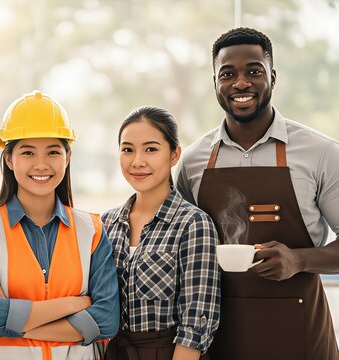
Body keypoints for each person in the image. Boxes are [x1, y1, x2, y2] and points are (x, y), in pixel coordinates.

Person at [176, 27, 339, 360]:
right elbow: (178, 246)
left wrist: (299, 259)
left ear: (273, 78)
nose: (241, 83)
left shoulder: (321, 153)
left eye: (254, 71)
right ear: (215, 83)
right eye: (228, 74)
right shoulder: (192, 161)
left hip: (301, 336)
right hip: (216, 337)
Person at [0, 90, 119, 360]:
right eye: (28, 152)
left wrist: (14, 320)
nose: (41, 164)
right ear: (9, 159)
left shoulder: (91, 230)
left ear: (67, 157)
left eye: (53, 152)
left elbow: (106, 320)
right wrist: (75, 304)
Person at [102, 106, 220, 360]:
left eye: (151, 149)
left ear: (174, 154)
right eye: (127, 149)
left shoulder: (193, 224)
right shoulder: (106, 224)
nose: (137, 161)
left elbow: (196, 324)